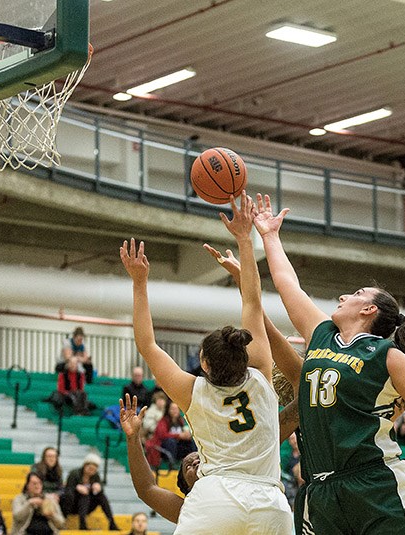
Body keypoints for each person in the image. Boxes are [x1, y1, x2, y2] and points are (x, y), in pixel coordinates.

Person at [250, 192, 405, 535]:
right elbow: (287, 284)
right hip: (321, 489)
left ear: (370, 310)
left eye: (355, 294)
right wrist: (269, 237)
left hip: (375, 483)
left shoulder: (388, 356)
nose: (343, 297)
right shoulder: (321, 332)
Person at [119, 192, 294, 534]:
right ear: (243, 354)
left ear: (204, 364)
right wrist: (245, 239)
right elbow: (254, 302)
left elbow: (148, 344)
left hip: (216, 500)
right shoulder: (260, 373)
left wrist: (140, 283)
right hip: (271, 503)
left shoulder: (192, 391)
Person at [118, 394, 300, 524]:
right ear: (187, 489)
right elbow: (146, 488)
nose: (195, 462)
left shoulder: (234, 472)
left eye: (200, 459)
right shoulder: (188, 508)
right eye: (188, 466)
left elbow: (275, 434)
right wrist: (133, 438)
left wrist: (308, 394)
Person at [60, 453, 119, 531]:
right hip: (71, 505)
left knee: (101, 496)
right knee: (84, 495)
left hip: (86, 507)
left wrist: (99, 488)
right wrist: (76, 488)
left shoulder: (96, 476)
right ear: (85, 466)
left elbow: (100, 493)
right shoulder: (74, 473)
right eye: (90, 468)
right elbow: (67, 491)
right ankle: (82, 524)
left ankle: (111, 523)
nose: (91, 471)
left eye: (94, 470)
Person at [144, 401, 195, 468]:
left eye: (176, 409)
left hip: (178, 447)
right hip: (163, 448)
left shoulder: (181, 420)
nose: (175, 411)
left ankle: (192, 462)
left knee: (190, 441)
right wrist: (179, 435)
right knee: (170, 441)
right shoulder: (163, 421)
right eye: (172, 409)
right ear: (168, 410)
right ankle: (172, 465)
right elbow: (162, 435)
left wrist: (187, 435)